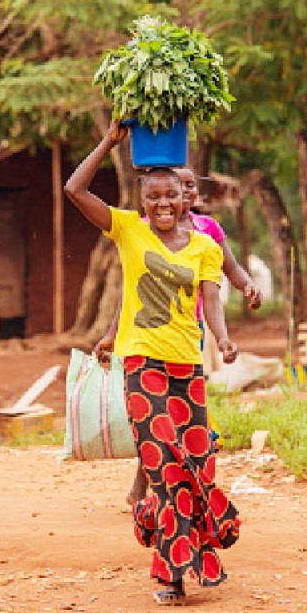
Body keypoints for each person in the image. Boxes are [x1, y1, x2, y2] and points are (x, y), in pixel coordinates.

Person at [64, 121, 242, 607]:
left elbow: (212, 297)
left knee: (198, 465)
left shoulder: (206, 245)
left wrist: (224, 341)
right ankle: (172, 574)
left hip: (188, 370)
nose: (163, 204)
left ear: (186, 198)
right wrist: (109, 142)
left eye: (172, 197)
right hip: (143, 367)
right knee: (163, 466)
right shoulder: (127, 230)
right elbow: (73, 189)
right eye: (154, 197)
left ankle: (197, 554)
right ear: (142, 201)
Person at [95, 166, 263, 505]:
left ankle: (181, 494)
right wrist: (112, 334)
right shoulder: (141, 232)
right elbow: (131, 293)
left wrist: (245, 289)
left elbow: (227, 274)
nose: (181, 195)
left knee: (180, 420)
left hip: (191, 334)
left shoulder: (207, 234)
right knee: (157, 420)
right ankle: (156, 493)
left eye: (186, 188)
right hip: (147, 340)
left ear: (194, 194)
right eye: (174, 188)